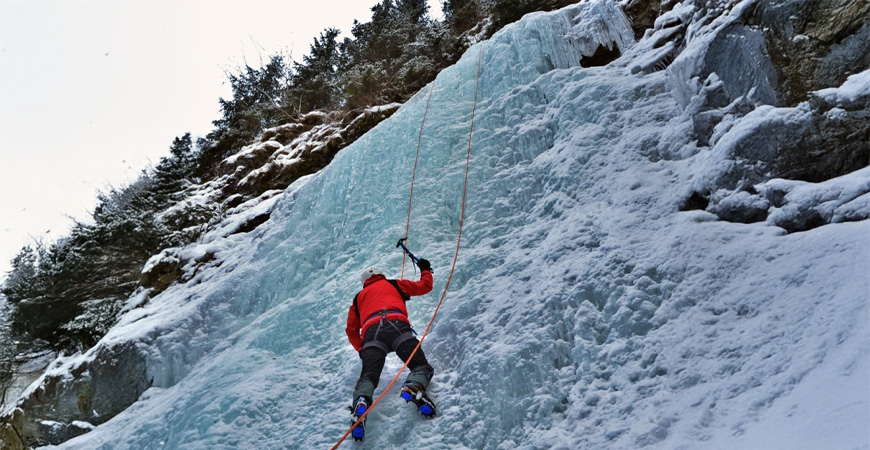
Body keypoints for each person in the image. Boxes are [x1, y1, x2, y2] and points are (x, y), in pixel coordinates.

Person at [346, 259, 436, 440]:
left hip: (372, 334)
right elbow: (424, 286)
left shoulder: (358, 298)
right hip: (397, 326)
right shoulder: (393, 284)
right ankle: (413, 386)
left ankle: (361, 400)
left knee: (369, 375)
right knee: (420, 365)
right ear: (380, 274)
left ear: (365, 282)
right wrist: (425, 269)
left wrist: (362, 348)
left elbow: (351, 330)